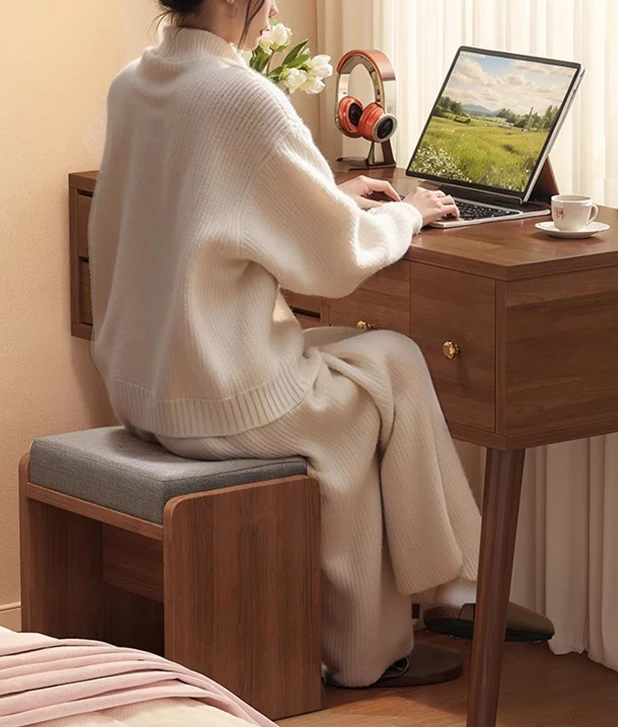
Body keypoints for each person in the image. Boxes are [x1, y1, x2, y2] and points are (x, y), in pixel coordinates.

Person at [89, 0, 553, 688]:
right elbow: (336, 257)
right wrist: (403, 211)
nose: (273, 7)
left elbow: (216, 202)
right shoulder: (243, 97)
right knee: (378, 387)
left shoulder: (133, 85)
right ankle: (392, 634)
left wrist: (330, 194)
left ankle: (446, 591)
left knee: (380, 363)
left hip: (145, 385)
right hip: (219, 403)